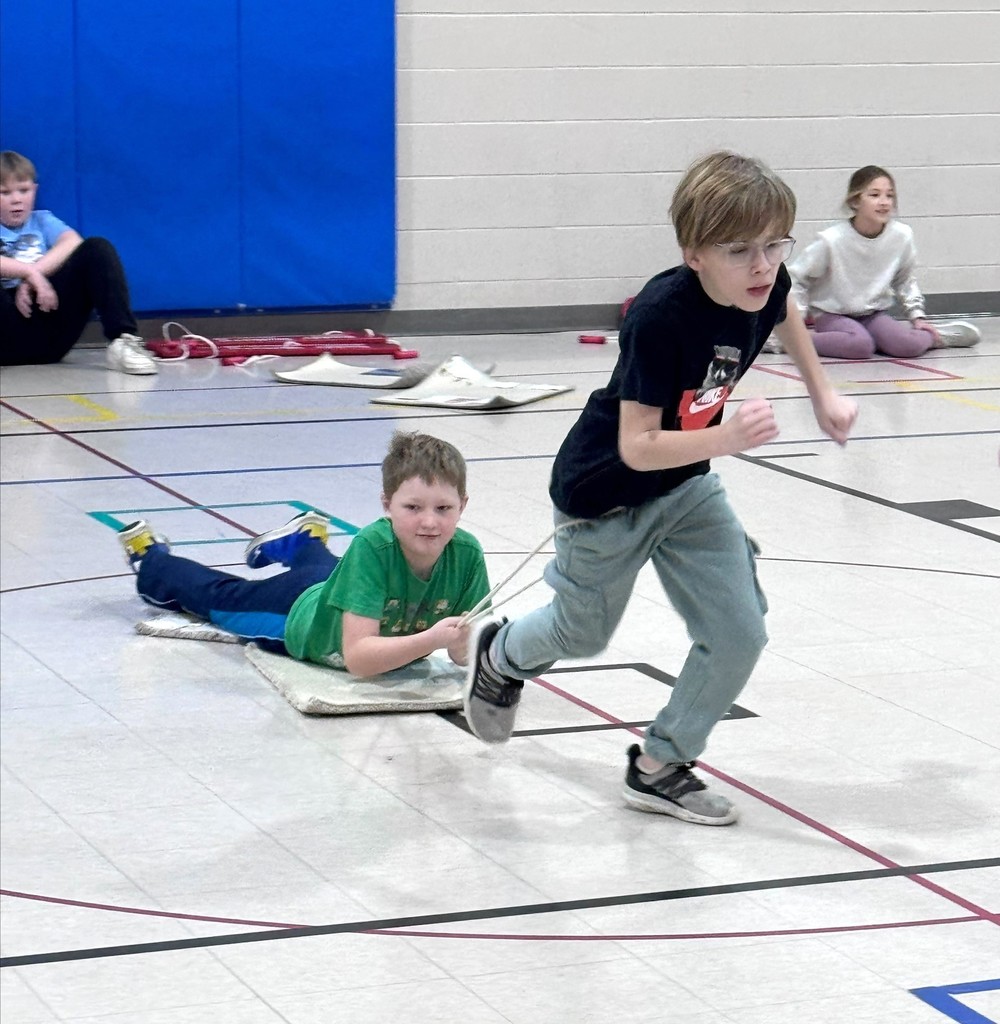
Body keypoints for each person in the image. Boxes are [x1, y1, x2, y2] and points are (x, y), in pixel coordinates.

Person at [463, 151, 859, 826]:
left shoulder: (767, 282)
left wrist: (823, 394)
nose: (763, 265)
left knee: (739, 633)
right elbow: (637, 446)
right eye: (740, 250)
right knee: (581, 634)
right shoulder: (659, 316)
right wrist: (727, 439)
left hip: (685, 486)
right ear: (694, 254)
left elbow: (785, 309)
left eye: (775, 245)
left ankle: (659, 765)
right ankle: (500, 655)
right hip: (604, 496)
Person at [119, 432, 490, 676]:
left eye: (444, 508)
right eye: (413, 507)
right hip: (297, 615)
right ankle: (151, 559)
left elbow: (466, 653)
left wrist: (465, 644)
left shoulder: (468, 554)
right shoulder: (373, 545)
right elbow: (359, 658)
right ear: (386, 505)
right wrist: (433, 639)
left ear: (463, 505)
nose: (430, 522)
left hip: (333, 587)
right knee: (220, 598)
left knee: (331, 574)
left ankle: (305, 542)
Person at [786, 165, 981, 359]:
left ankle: (936, 337)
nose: (884, 202)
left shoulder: (901, 235)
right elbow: (796, 278)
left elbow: (905, 280)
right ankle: (790, 341)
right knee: (860, 346)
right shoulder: (831, 240)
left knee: (907, 346)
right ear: (855, 201)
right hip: (832, 316)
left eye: (889, 195)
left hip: (873, 315)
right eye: (874, 195)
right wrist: (797, 320)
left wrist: (917, 316)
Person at [0, 150, 156, 374]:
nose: (16, 199)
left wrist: (34, 276)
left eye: (23, 190)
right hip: (4, 327)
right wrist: (29, 274)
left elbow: (72, 241)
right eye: (4, 192)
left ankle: (123, 339)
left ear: (34, 190)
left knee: (96, 248)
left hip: (47, 329)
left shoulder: (41, 220)